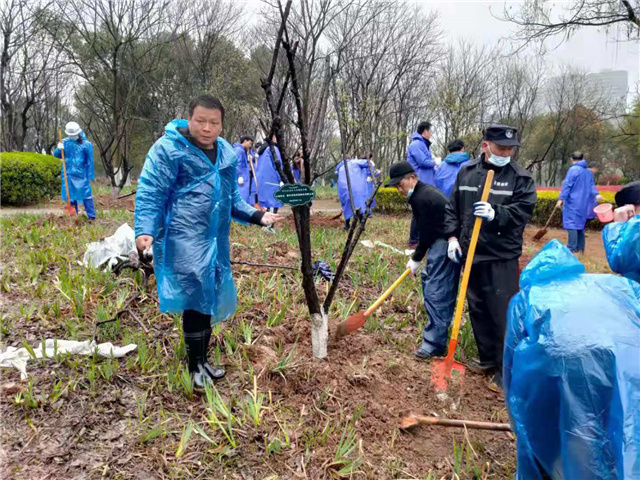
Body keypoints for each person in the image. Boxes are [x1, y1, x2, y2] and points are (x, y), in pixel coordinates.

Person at [134, 95, 281, 388]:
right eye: (200, 121)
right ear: (189, 118)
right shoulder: (169, 149)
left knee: (208, 298)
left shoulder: (226, 152)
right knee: (194, 298)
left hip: (215, 238)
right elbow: (152, 189)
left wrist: (258, 216)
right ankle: (194, 366)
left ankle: (202, 361)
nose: (206, 128)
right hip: (183, 236)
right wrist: (145, 228)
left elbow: (231, 198)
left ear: (221, 124)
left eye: (214, 122)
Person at [503, 183, 640, 479]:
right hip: (614, 359)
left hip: (550, 364)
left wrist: (517, 423)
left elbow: (510, 369)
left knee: (546, 431)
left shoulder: (527, 298)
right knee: (609, 428)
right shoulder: (618, 287)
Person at [444, 124, 537, 387]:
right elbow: (453, 207)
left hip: (501, 256)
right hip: (471, 253)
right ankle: (486, 357)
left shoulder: (521, 178)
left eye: (510, 149)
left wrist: (497, 213)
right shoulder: (467, 173)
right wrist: (452, 238)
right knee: (478, 308)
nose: (506, 153)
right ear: (485, 146)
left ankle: (504, 368)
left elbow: (523, 211)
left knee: (501, 313)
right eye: (501, 148)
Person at [386, 161, 460, 359]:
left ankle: (434, 344)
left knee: (437, 290)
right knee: (432, 283)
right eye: (396, 186)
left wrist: (417, 258)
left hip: (444, 242)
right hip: (440, 240)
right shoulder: (421, 194)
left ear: (412, 178)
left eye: (400, 184)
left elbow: (426, 232)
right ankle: (435, 339)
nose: (399, 190)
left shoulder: (423, 197)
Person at [556, 152, 602, 254]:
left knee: (571, 225)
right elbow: (591, 186)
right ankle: (580, 249)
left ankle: (571, 248)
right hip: (583, 203)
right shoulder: (587, 172)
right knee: (580, 226)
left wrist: (561, 199)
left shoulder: (573, 170)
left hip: (573, 202)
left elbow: (567, 185)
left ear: (571, 159)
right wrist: (597, 194)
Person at [53, 122, 96, 220]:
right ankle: (74, 217)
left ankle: (92, 217)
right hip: (68, 173)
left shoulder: (86, 144)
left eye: (74, 135)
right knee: (70, 196)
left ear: (78, 133)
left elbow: (90, 161)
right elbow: (56, 155)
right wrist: (59, 149)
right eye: (70, 135)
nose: (72, 137)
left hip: (82, 175)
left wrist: (90, 176)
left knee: (86, 196)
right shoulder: (64, 142)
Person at [407, 121, 436, 246]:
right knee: (418, 212)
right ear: (425, 131)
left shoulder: (422, 144)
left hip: (424, 181)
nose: (431, 134)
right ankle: (414, 240)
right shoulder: (416, 144)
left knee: (425, 212)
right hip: (419, 182)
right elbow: (423, 161)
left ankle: (422, 238)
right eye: (430, 131)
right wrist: (436, 162)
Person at [336, 158, 371, 230]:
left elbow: (338, 176)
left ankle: (347, 224)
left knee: (347, 206)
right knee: (360, 205)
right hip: (357, 189)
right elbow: (369, 164)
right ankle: (361, 224)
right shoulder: (357, 162)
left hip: (345, 189)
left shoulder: (341, 166)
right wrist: (369, 174)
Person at [256, 136, 284, 213]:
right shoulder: (273, 149)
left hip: (263, 180)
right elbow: (278, 165)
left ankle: (266, 222)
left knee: (266, 203)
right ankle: (269, 224)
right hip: (272, 179)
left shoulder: (262, 150)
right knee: (273, 203)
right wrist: (281, 179)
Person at [233, 135, 255, 205]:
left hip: (244, 177)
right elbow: (237, 164)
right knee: (241, 197)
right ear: (245, 141)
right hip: (241, 178)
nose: (250, 145)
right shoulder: (239, 150)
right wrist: (239, 175)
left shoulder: (243, 150)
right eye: (250, 143)